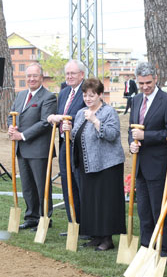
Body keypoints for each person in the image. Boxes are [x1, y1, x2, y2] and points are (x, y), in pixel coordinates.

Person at [62, 78, 126, 251]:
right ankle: (96, 236)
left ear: (100, 95)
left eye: (92, 95)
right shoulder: (82, 111)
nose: (88, 98)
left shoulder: (108, 112)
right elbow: (77, 138)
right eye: (85, 95)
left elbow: (112, 134)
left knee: (106, 203)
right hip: (88, 164)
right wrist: (67, 132)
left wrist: (96, 121)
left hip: (107, 165)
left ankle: (107, 239)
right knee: (91, 202)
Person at [129, 62, 167, 262]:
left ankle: (164, 250)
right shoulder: (135, 100)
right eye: (141, 83)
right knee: (143, 211)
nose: (145, 87)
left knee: (160, 210)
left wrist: (145, 136)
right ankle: (146, 247)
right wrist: (132, 144)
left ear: (155, 78)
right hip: (140, 165)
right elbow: (131, 132)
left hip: (159, 165)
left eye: (148, 82)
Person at [7, 63, 57, 230]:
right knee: (27, 186)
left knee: (42, 186)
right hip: (22, 150)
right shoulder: (21, 95)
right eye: (29, 76)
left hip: (39, 150)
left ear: (41, 77)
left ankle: (45, 218)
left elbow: (45, 123)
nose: (31, 79)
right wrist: (11, 127)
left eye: (35, 76)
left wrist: (21, 135)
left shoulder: (48, 97)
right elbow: (12, 115)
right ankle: (31, 217)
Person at [47, 60, 86, 234]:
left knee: (79, 183)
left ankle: (85, 225)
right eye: (67, 74)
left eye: (73, 73)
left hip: (80, 146)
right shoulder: (63, 93)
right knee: (66, 183)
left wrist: (61, 117)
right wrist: (53, 118)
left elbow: (83, 115)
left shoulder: (87, 92)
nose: (69, 77)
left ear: (82, 75)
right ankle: (73, 224)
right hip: (64, 143)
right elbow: (58, 115)